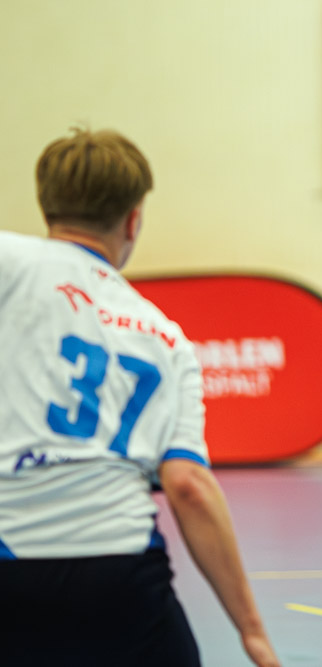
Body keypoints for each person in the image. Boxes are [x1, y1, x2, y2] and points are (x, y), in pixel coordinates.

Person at [0, 128, 280, 667]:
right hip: (120, 572)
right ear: (133, 221)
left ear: (45, 205)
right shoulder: (164, 336)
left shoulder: (10, 263)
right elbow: (188, 486)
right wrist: (252, 632)